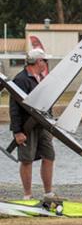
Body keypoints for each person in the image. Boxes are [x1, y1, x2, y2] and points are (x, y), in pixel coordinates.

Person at [9, 48, 58, 201]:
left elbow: (45, 102)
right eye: (45, 60)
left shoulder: (40, 78)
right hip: (26, 128)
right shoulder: (21, 80)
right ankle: (27, 196)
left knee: (49, 156)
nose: (46, 63)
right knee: (26, 160)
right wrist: (17, 132)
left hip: (42, 125)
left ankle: (48, 193)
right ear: (38, 62)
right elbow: (14, 108)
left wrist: (51, 122)